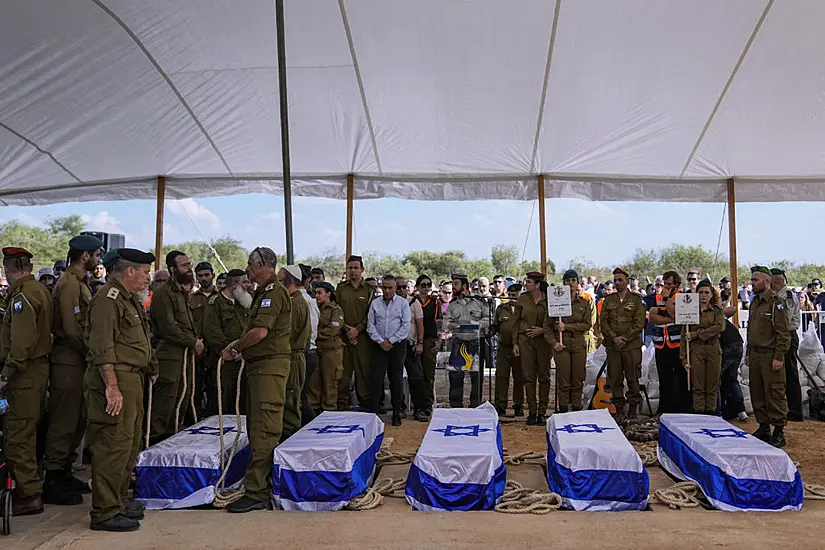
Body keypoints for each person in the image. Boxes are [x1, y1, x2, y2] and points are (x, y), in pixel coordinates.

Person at [84, 248, 156, 532]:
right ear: (129, 271)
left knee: (128, 443)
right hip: (116, 379)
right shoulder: (108, 299)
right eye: (144, 272)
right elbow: (102, 347)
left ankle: (118, 499)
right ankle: (104, 511)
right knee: (112, 444)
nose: (147, 278)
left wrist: (150, 367)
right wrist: (112, 386)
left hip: (132, 378)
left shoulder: (129, 299)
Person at [220, 247, 291, 513]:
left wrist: (237, 347)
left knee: (264, 428)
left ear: (262, 265)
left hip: (268, 369)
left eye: (250, 265)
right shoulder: (264, 293)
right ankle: (259, 485)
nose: (248, 269)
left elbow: (260, 331)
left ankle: (258, 490)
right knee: (260, 425)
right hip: (262, 367)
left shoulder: (272, 294)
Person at [43, 234, 104, 506]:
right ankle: (53, 477)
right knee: (64, 421)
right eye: (98, 254)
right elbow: (70, 330)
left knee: (78, 418)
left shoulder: (79, 283)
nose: (99, 259)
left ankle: (65, 470)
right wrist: (92, 353)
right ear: (86, 256)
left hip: (78, 361)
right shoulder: (68, 285)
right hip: (68, 361)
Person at [0, 247, 53, 516]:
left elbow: (21, 343)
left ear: (10, 268)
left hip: (24, 374)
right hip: (36, 371)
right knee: (27, 431)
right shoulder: (38, 290)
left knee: (18, 434)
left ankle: (28, 493)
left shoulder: (22, 296)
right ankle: (29, 488)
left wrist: (6, 374)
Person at [148, 251, 203, 443]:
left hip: (184, 357)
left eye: (190, 264)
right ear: (173, 269)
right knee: (166, 402)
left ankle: (172, 442)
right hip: (170, 357)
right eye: (184, 265)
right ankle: (154, 445)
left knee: (183, 398)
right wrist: (193, 342)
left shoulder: (183, 293)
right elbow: (168, 328)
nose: (189, 268)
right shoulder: (164, 294)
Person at [747, 266, 791, 448]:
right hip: (756, 354)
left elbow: (783, 333)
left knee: (775, 392)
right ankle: (763, 427)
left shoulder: (776, 303)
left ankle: (779, 432)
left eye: (756, 280)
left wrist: (779, 356)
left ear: (767, 281)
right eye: (752, 279)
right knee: (757, 392)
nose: (752, 283)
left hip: (770, 355)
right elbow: (751, 330)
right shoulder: (755, 302)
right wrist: (748, 352)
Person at [544, 270, 595, 412]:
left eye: (573, 280)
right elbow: (547, 326)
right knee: (564, 380)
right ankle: (564, 409)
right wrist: (554, 342)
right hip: (562, 344)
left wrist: (566, 326)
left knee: (578, 380)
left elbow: (587, 324)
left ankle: (577, 409)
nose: (570, 283)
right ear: (563, 283)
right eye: (567, 280)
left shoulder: (584, 303)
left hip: (579, 343)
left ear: (578, 283)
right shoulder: (554, 303)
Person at [201, 269, 251, 415]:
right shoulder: (215, 303)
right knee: (222, 403)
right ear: (235, 284)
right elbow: (212, 333)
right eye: (244, 282)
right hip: (223, 362)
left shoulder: (244, 301)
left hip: (243, 360)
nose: (248, 285)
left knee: (242, 403)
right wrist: (232, 351)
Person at [600, 268, 645, 422]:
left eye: (620, 280)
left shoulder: (636, 299)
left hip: (631, 346)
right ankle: (619, 409)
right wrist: (614, 338)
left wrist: (624, 338)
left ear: (627, 281)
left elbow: (639, 323)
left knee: (633, 377)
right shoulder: (609, 300)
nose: (618, 283)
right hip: (613, 347)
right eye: (616, 280)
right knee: (615, 378)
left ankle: (633, 408)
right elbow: (604, 323)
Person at [366, 275, 410, 426]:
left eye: (390, 287)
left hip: (396, 345)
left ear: (395, 288)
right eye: (384, 287)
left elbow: (405, 326)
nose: (386, 290)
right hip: (378, 345)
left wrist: (390, 341)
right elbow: (370, 326)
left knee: (396, 379)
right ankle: (375, 412)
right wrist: (380, 341)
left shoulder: (403, 304)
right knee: (377, 378)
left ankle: (397, 413)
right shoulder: (375, 304)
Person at [681, 280, 725, 414]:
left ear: (712, 295)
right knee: (698, 386)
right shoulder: (688, 311)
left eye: (707, 292)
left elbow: (719, 327)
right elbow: (684, 335)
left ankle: (711, 415)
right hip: (696, 350)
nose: (703, 295)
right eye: (700, 292)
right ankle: (699, 415)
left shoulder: (717, 311)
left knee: (712, 386)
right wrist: (683, 358)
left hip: (712, 348)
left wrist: (697, 334)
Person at [512, 272, 551, 425]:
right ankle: (532, 412)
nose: (526, 284)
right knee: (528, 377)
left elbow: (555, 322)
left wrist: (542, 330)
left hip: (543, 341)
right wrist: (515, 343)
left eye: (529, 282)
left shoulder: (549, 301)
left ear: (538, 285)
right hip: (525, 340)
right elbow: (515, 322)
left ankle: (542, 412)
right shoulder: (522, 299)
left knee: (544, 376)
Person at [336, 255, 374, 412]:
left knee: (363, 373)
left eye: (356, 268)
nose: (353, 271)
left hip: (363, 339)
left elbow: (371, 315)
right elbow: (336, 312)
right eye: (350, 268)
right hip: (344, 338)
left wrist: (357, 330)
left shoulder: (369, 291)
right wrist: (347, 329)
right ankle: (341, 406)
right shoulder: (340, 289)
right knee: (343, 375)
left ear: (362, 270)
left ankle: (365, 407)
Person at [649, 270, 689, 414]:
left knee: (681, 379)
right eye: (664, 284)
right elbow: (652, 317)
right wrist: (670, 317)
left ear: (676, 284)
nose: (666, 287)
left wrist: (666, 303)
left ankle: (683, 410)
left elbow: (677, 314)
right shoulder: (658, 297)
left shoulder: (683, 297)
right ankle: (663, 410)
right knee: (663, 380)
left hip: (677, 345)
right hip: (661, 344)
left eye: (669, 284)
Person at [278, 265, 310, 441]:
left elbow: (285, 334)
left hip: (292, 358)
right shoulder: (296, 301)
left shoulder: (294, 303)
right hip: (294, 357)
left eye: (280, 280)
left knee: (290, 403)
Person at [445, 274, 487, 409]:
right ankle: (456, 406)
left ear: (464, 286)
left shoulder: (479, 302)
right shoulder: (453, 304)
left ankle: (475, 405)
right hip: (459, 341)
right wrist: (450, 325)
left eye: (456, 284)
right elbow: (446, 321)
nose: (453, 287)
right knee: (456, 375)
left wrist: (474, 323)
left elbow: (488, 318)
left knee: (476, 377)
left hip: (475, 342)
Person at [771, 268, 803, 422]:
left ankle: (795, 411)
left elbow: (785, 317)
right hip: (781, 336)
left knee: (790, 373)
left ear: (776, 281)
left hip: (788, 335)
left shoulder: (787, 296)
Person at [310, 282, 344, 413]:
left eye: (320, 293)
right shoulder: (315, 308)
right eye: (315, 293)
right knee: (314, 384)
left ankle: (330, 410)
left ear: (328, 294)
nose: (316, 296)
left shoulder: (335, 310)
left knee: (330, 383)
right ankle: (314, 410)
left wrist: (316, 333)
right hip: (317, 349)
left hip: (331, 351)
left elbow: (333, 329)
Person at [397, 276, 426, 422]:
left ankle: (419, 409)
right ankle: (400, 408)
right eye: (399, 287)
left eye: (404, 287)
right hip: (395, 345)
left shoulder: (414, 302)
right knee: (397, 378)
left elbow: (420, 324)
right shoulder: (388, 303)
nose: (402, 290)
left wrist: (420, 343)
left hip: (411, 344)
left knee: (417, 378)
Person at [191, 261, 218, 416]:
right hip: (197, 349)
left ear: (212, 275)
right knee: (195, 388)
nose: (203, 278)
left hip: (215, 350)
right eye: (200, 276)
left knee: (215, 389)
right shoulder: (191, 299)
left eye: (206, 275)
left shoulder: (221, 297)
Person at [492, 284, 523, 417]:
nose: (512, 298)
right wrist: (489, 330)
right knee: (501, 376)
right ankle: (501, 405)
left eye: (515, 296)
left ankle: (518, 405)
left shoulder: (523, 309)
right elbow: (495, 325)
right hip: (503, 347)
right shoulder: (501, 309)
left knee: (519, 377)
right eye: (510, 295)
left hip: (520, 347)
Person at [415, 275, 440, 417]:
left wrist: (438, 340)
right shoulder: (413, 301)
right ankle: (418, 405)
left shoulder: (434, 301)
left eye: (428, 285)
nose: (425, 288)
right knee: (417, 374)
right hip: (415, 340)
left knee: (429, 374)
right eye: (423, 285)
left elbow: (437, 320)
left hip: (429, 339)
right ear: (417, 287)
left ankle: (428, 405)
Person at [298, 264, 320, 425]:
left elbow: (309, 330)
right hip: (308, 352)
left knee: (298, 396)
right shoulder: (309, 300)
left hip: (305, 352)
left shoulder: (305, 301)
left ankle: (312, 427)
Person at [719, 302, 748, 421]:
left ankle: (718, 411)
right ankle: (741, 411)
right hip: (737, 344)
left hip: (727, 346)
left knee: (715, 379)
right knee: (731, 379)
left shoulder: (713, 315)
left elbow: (733, 309)